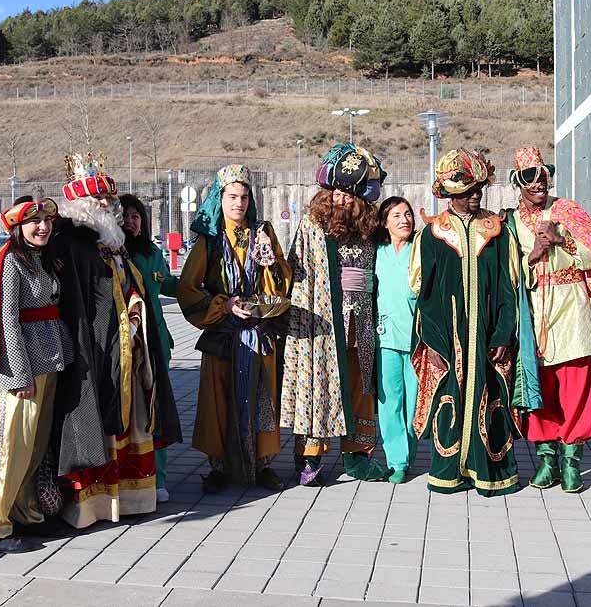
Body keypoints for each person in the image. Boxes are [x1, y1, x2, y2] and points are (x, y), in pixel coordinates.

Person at [504, 147, 591, 493]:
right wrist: (533, 253)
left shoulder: (568, 210)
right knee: (540, 385)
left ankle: (572, 462)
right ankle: (547, 459)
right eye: (531, 178)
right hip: (533, 307)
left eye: (544, 176)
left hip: (570, 306)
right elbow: (506, 269)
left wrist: (562, 239)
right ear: (517, 182)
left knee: (576, 385)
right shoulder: (511, 222)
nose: (540, 184)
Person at [409, 149, 533, 497]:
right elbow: (424, 291)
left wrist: (503, 331)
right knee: (448, 396)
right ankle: (448, 471)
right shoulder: (432, 235)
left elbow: (509, 287)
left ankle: (490, 472)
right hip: (446, 337)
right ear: (449, 194)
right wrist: (433, 339)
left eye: (479, 187)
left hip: (488, 334)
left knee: (490, 396)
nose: (475, 194)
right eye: (467, 190)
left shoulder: (497, 232)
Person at [0, 196, 73, 553]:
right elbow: (4, 321)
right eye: (33, 222)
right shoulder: (8, 263)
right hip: (18, 374)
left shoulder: (42, 259)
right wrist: (17, 375)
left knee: (33, 450)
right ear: (17, 228)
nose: (43, 227)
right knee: (9, 450)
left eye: (47, 222)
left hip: (48, 365)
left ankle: (25, 514)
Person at [51, 152, 158, 527]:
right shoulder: (69, 243)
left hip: (125, 345)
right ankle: (90, 505)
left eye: (108, 200)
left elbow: (129, 286)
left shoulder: (115, 244)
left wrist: (134, 311)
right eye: (95, 199)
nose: (103, 206)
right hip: (89, 350)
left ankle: (130, 497)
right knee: (90, 418)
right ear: (77, 203)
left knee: (132, 417)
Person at [176, 165, 292, 492]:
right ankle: (219, 466)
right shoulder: (210, 239)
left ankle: (263, 463)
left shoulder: (261, 231)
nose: (238, 203)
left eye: (244, 197)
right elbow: (188, 287)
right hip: (223, 332)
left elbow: (281, 280)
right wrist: (224, 306)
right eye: (232, 197)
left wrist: (269, 259)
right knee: (218, 399)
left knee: (263, 396)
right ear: (220, 198)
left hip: (258, 330)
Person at [282, 143, 391, 486]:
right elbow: (297, 273)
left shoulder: (372, 230)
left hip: (362, 317)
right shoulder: (311, 226)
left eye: (350, 194)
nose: (342, 200)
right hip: (322, 320)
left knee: (362, 384)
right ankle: (310, 456)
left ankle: (357, 455)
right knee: (320, 383)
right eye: (337, 192)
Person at [120, 193, 182, 503]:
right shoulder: (113, 254)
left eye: (136, 216)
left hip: (157, 342)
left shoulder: (152, 253)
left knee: (156, 411)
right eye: (125, 216)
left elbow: (168, 284)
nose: (131, 222)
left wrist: (202, 287)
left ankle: (158, 477)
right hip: (126, 344)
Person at [374, 196, 419, 484]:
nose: (405, 220)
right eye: (397, 216)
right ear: (385, 222)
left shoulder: (420, 250)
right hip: (385, 337)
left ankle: (410, 453)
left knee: (414, 404)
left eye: (408, 214)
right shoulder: (376, 252)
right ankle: (397, 460)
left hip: (417, 338)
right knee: (389, 401)